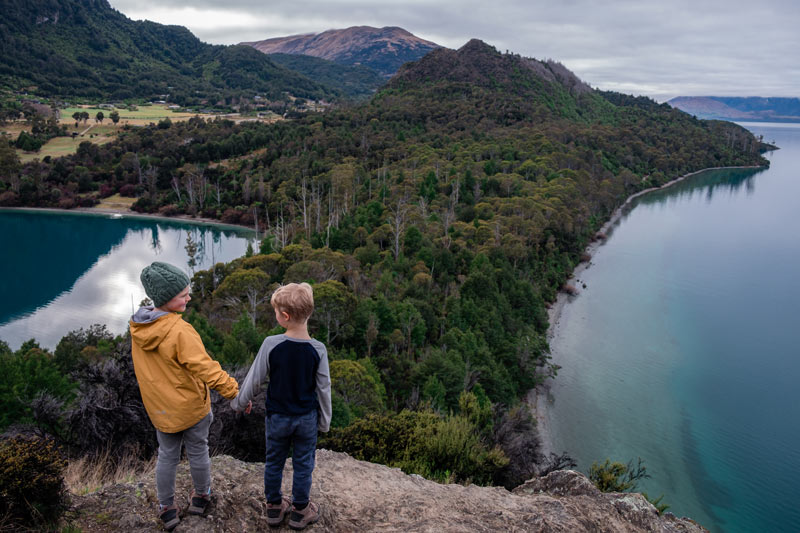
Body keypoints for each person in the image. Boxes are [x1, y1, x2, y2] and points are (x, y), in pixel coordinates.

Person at [130, 261, 240, 531]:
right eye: (183, 294)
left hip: (160, 411)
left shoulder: (138, 328)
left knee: (166, 456)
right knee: (198, 451)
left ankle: (166, 508)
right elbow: (206, 368)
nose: (189, 297)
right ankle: (202, 496)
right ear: (167, 298)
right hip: (192, 409)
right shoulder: (180, 331)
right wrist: (233, 391)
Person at [231, 282, 332, 530]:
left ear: (284, 317)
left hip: (277, 417)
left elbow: (254, 378)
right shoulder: (318, 350)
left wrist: (239, 403)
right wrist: (325, 421)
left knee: (274, 461)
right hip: (306, 419)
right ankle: (300, 510)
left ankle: (274, 508)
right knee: (303, 464)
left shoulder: (271, 344)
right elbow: (323, 388)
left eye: (276, 312)